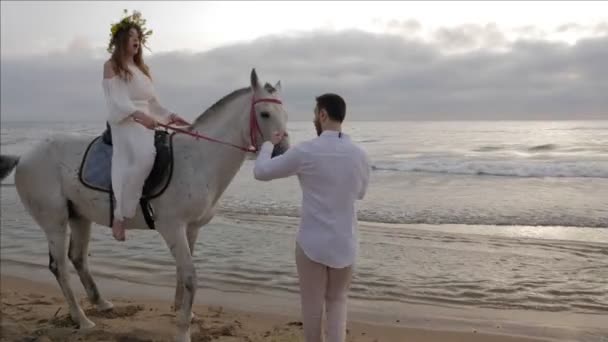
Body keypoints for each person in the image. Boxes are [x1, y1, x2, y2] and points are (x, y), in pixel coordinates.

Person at [253, 93, 371, 342]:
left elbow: (261, 172)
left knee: (312, 308)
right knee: (338, 303)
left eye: (315, 113)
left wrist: (268, 145)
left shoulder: (306, 151)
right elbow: (360, 193)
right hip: (345, 242)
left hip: (311, 243)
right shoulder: (360, 155)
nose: (314, 118)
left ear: (323, 114)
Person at [102, 10, 189, 241]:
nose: (136, 39)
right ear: (121, 40)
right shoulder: (111, 66)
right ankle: (121, 215)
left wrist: (171, 116)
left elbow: (153, 103)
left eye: (138, 36)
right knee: (145, 157)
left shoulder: (142, 70)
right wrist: (140, 117)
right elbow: (118, 101)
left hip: (146, 120)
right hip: (126, 123)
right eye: (132, 35)